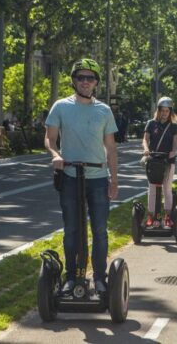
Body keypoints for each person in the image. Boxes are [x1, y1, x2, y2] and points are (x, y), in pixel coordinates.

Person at [44, 58, 119, 297]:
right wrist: (55, 155)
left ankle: (99, 277)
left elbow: (110, 147)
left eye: (90, 78)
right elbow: (50, 138)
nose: (85, 82)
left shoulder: (104, 110)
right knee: (72, 230)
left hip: (97, 176)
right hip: (69, 175)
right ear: (74, 81)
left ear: (96, 82)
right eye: (80, 78)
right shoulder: (61, 107)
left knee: (99, 229)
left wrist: (114, 179)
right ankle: (72, 278)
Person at [142, 97, 177, 229]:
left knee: (167, 189)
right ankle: (151, 217)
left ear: (170, 112)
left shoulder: (174, 126)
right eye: (162, 110)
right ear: (158, 111)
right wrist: (146, 150)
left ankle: (167, 217)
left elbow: (175, 142)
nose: (164, 113)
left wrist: (174, 151)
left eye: (167, 111)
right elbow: (145, 140)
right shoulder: (151, 123)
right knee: (152, 189)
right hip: (153, 160)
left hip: (168, 161)